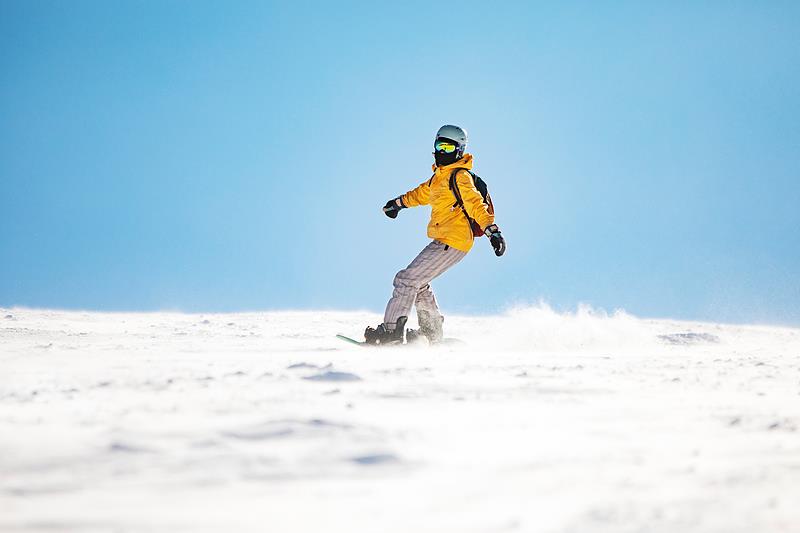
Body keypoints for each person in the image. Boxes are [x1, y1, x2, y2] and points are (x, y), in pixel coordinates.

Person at [364, 125, 506, 345]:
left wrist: (492, 231)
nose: (442, 151)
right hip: (444, 240)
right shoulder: (439, 178)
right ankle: (431, 331)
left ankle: (391, 333)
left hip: (454, 240)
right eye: (440, 145)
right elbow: (421, 194)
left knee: (407, 279)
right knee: (418, 282)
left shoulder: (460, 176)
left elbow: (476, 204)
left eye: (448, 147)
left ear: (459, 150)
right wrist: (398, 204)